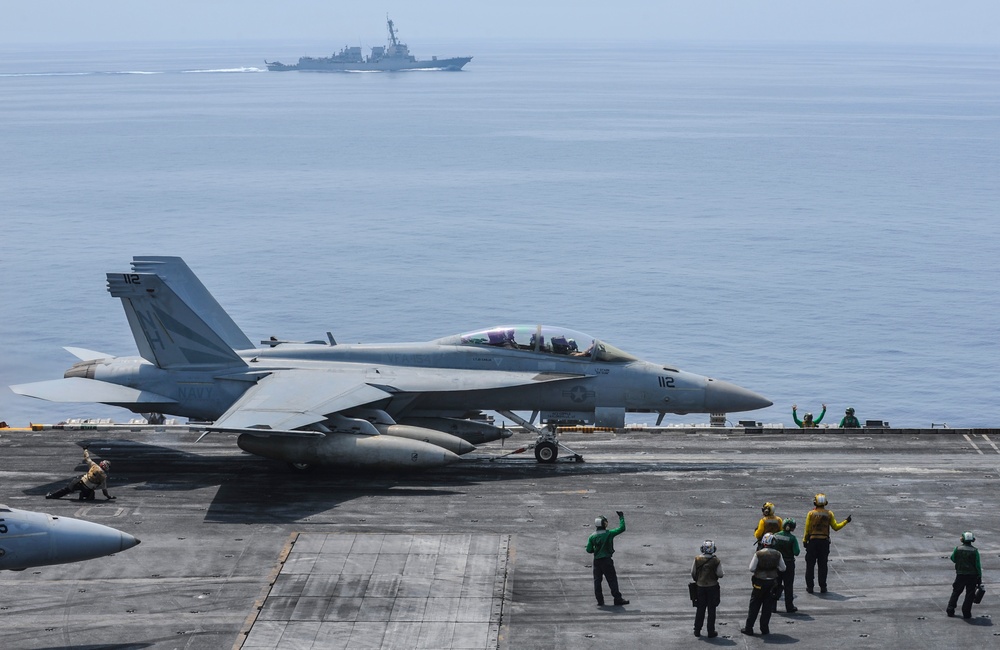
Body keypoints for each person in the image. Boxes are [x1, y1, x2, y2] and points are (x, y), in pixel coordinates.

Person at [802, 493, 851, 593]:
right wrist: (846, 521)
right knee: (823, 565)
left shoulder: (811, 514)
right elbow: (836, 527)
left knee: (810, 565)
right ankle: (823, 587)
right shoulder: (829, 514)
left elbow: (807, 529)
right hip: (824, 543)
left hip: (813, 542)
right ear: (825, 503)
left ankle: (810, 587)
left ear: (815, 502)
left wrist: (804, 540)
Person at [741, 533, 786, 636]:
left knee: (754, 606)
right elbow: (783, 568)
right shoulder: (778, 554)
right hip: (772, 583)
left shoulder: (758, 554)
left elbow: (751, 568)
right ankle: (764, 629)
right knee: (767, 607)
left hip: (759, 583)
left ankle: (749, 628)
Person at [586, 510, 629, 606]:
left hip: (597, 561)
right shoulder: (609, 533)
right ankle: (617, 598)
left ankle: (600, 601)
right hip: (606, 561)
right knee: (612, 579)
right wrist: (621, 517)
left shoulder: (592, 536)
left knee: (597, 580)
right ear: (604, 524)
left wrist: (595, 549)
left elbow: (589, 550)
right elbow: (622, 528)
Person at [46, 447, 117, 501]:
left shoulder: (94, 466)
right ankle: (83, 494)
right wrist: (108, 496)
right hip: (87, 489)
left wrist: (85, 449)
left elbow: (87, 458)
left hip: (79, 482)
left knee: (66, 489)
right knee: (91, 497)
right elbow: (104, 490)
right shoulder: (103, 477)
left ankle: (51, 495)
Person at [691, 539, 724, 638]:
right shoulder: (716, 560)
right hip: (712, 587)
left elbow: (693, 573)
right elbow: (720, 574)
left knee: (700, 609)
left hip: (700, 587)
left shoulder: (697, 559)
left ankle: (697, 630)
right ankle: (711, 631)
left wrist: (698, 580)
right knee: (711, 609)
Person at [947, 531, 983, 619]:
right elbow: (977, 565)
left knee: (956, 592)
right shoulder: (975, 551)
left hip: (960, 574)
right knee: (970, 594)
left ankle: (950, 610)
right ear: (972, 540)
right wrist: (979, 576)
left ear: (962, 539)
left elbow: (953, 558)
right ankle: (966, 612)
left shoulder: (957, 549)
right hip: (972, 576)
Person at [771, 518, 801, 612]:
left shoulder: (776, 536)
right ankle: (789, 606)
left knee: (775, 584)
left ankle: (773, 606)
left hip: (777, 563)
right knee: (788, 586)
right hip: (788, 563)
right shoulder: (792, 538)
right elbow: (796, 552)